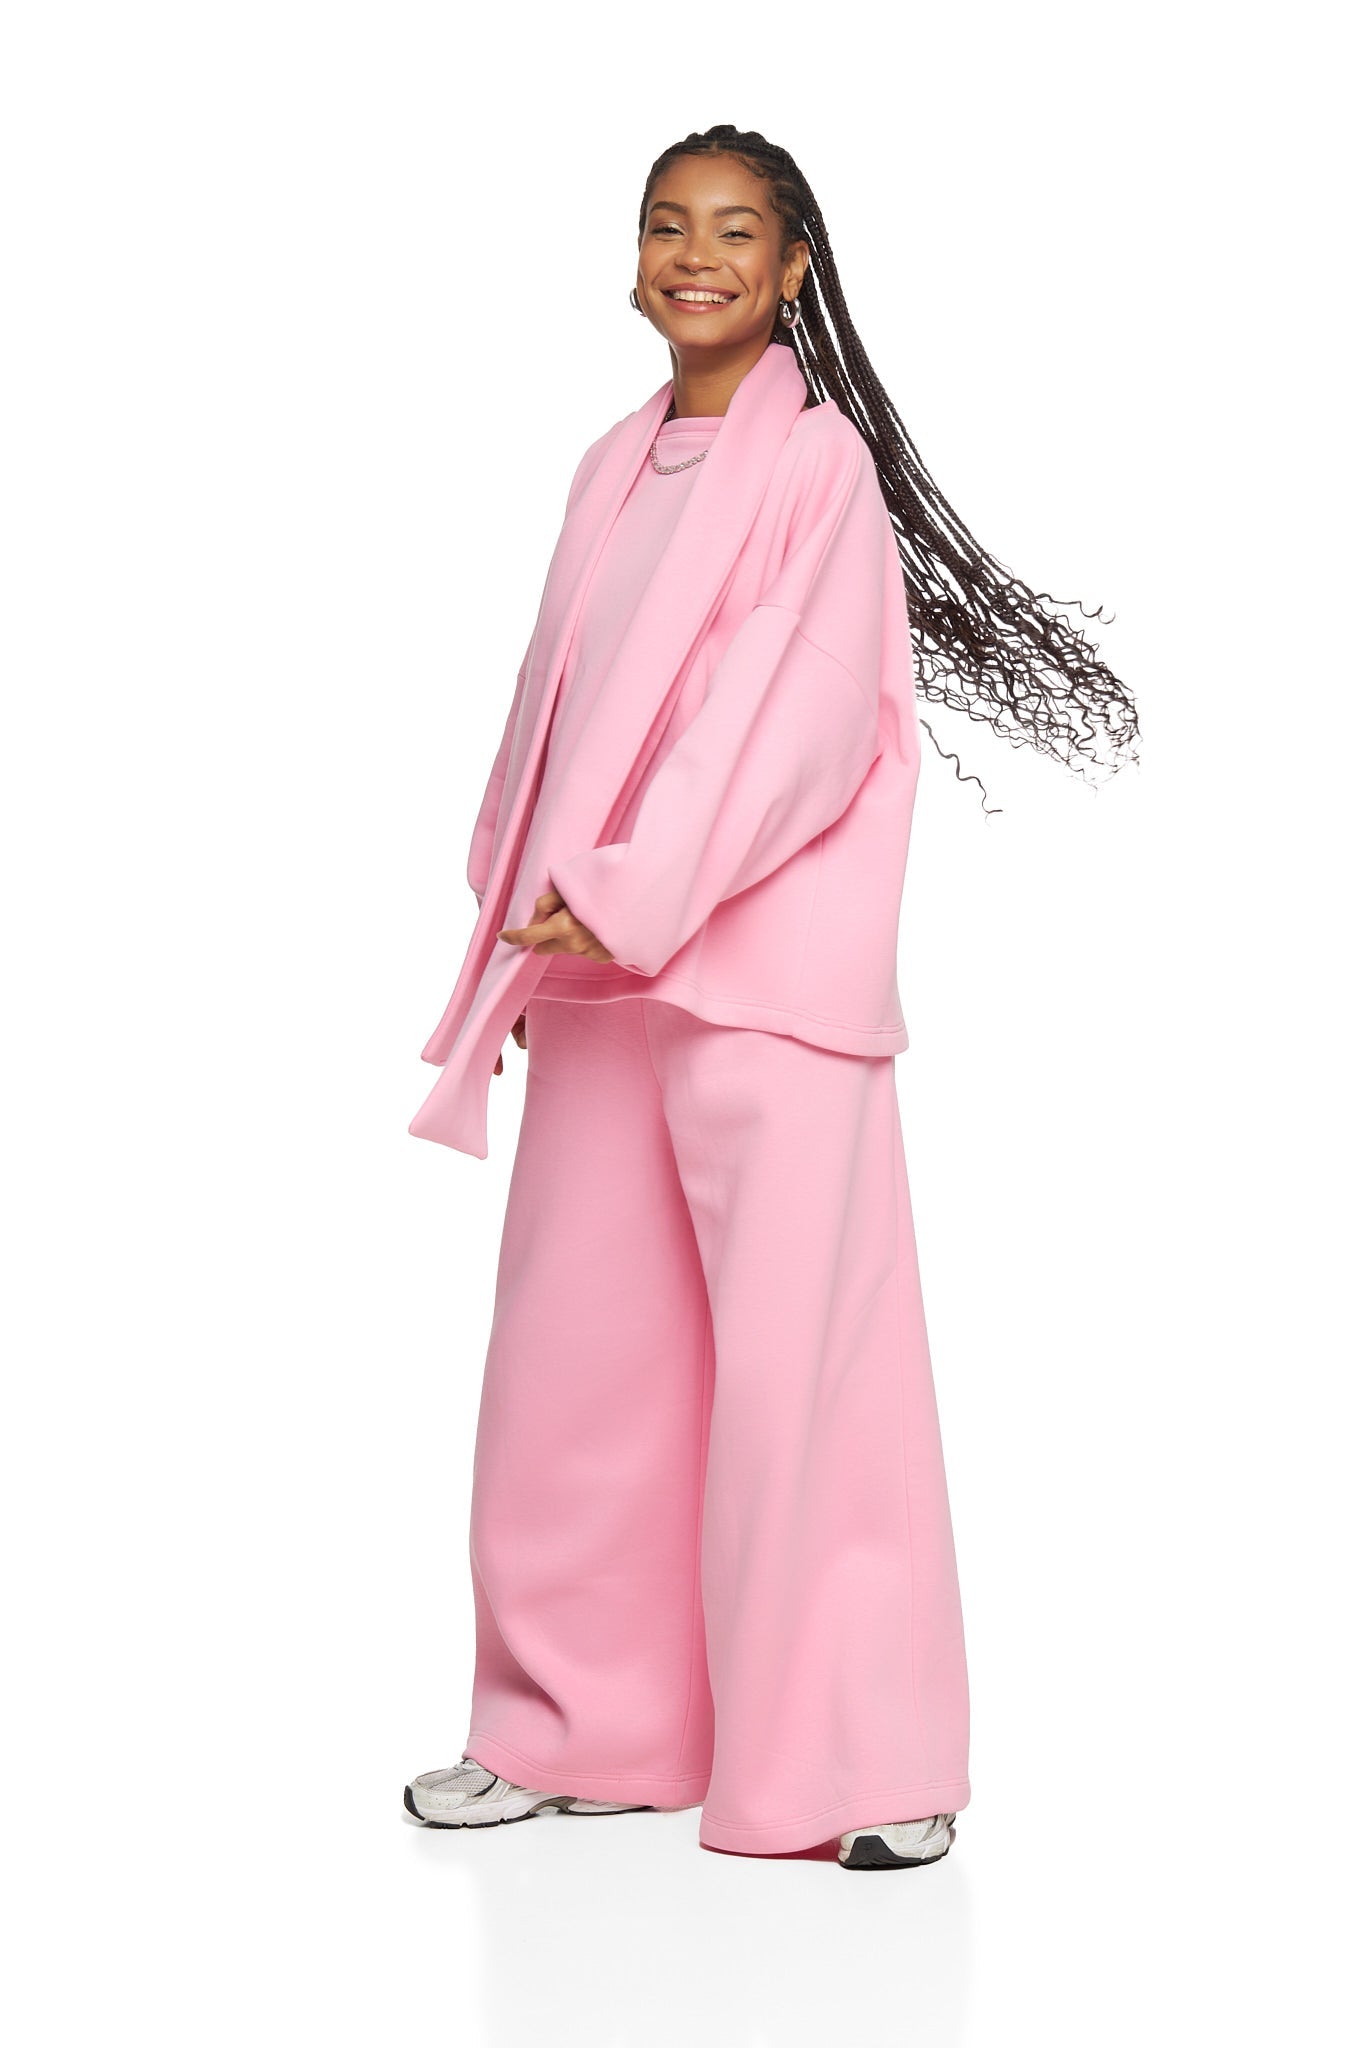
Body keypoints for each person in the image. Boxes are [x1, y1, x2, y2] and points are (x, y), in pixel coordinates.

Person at [403, 125, 1137, 1870]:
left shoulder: (818, 472)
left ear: (793, 268)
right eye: (667, 225)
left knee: (809, 1372)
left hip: (761, 979)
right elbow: (552, 701)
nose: (696, 255)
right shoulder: (609, 462)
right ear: (630, 261)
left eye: (736, 231)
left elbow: (794, 719)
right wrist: (515, 917)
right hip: (595, 969)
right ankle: (585, 1730)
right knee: (578, 1364)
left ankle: (865, 1765)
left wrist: (628, 887)